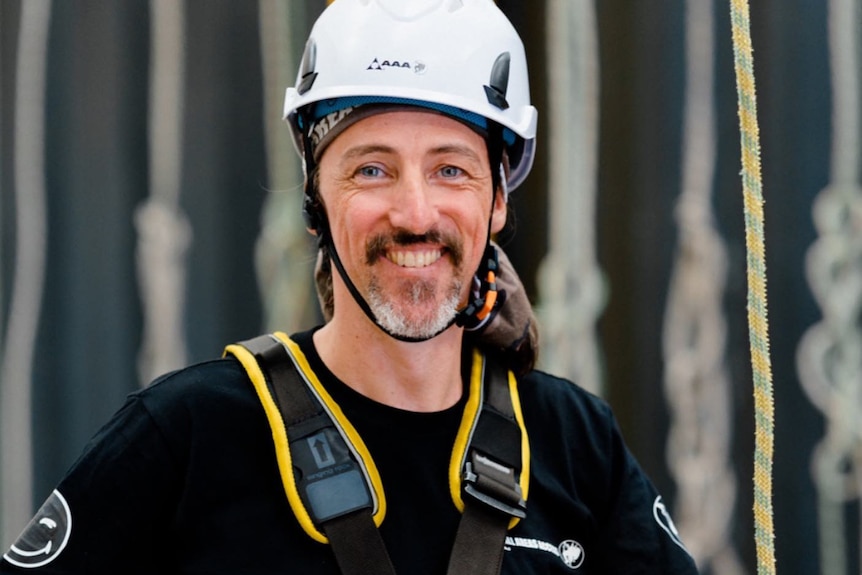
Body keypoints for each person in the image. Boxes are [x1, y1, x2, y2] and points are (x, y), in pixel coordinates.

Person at [1, 1, 699, 573]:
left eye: (451, 169)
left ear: (498, 203)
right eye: (372, 169)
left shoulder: (575, 444)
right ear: (314, 200)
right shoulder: (189, 436)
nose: (416, 213)